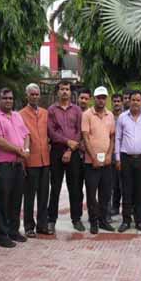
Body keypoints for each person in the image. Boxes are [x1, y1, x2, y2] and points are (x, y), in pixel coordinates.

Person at [0, 88, 30, 247]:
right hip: (3, 166)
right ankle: (2, 235)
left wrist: (26, 150)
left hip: (18, 165)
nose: (8, 101)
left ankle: (14, 231)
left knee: (16, 200)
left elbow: (26, 135)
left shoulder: (17, 115)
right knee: (2, 201)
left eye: (11, 98)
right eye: (5, 98)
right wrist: (18, 151)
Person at [115, 90, 141, 232]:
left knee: (140, 190)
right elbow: (118, 138)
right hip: (125, 158)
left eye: (138, 100)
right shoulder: (122, 117)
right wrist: (117, 158)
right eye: (133, 99)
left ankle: (140, 220)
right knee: (126, 190)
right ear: (129, 101)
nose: (135, 102)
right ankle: (126, 220)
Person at [47, 80, 84, 233]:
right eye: (62, 89)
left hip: (73, 152)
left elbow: (79, 131)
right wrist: (67, 142)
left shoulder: (77, 110)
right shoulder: (51, 110)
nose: (64, 92)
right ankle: (51, 220)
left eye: (67, 89)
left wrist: (70, 148)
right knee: (55, 187)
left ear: (70, 92)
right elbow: (51, 132)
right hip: (56, 152)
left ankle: (76, 219)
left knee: (75, 187)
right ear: (58, 92)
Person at [82, 86, 116, 234]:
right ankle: (93, 221)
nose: (101, 100)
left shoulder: (110, 115)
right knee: (91, 194)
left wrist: (109, 155)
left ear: (106, 99)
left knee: (105, 193)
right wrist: (93, 157)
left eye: (103, 98)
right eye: (98, 98)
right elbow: (85, 137)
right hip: (91, 163)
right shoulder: (87, 115)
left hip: (106, 162)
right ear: (94, 99)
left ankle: (103, 220)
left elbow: (112, 137)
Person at [19, 83, 50, 237]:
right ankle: (29, 226)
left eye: (37, 94)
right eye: (32, 94)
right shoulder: (20, 114)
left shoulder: (45, 113)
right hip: (30, 160)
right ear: (27, 96)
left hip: (45, 160)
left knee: (44, 195)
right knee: (30, 196)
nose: (35, 97)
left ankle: (42, 225)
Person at [110, 93, 124, 217]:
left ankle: (127, 207)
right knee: (112, 183)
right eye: (114, 101)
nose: (116, 103)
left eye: (118, 101)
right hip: (110, 154)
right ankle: (114, 207)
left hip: (123, 154)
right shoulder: (108, 116)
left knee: (123, 183)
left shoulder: (126, 116)